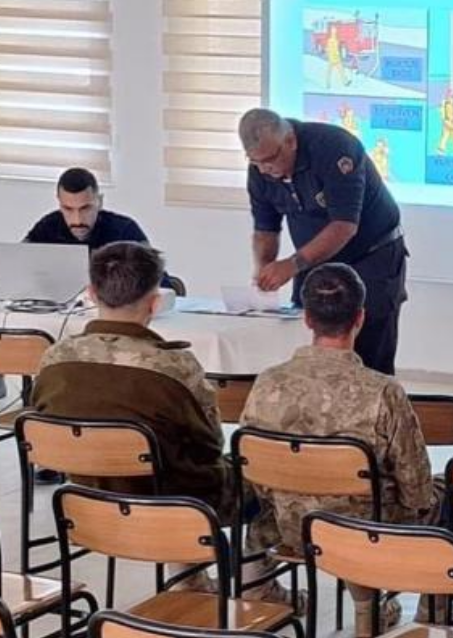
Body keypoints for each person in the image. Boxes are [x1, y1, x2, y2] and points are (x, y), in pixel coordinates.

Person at [29, 242, 287, 603]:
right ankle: (256, 583)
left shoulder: (53, 358)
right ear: (155, 302)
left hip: (86, 508)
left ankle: (191, 580)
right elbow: (209, 445)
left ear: (91, 293)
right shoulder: (173, 367)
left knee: (168, 468)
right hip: (177, 511)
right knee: (268, 473)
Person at [240, 263, 440, 637]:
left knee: (264, 507)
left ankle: (256, 593)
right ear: (361, 318)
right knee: (448, 501)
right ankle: (421, 614)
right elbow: (417, 485)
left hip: (287, 527)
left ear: (308, 318)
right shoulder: (381, 391)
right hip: (363, 533)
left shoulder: (268, 382)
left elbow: (250, 468)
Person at [240, 108, 408, 375]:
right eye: (255, 162)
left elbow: (344, 226)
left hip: (371, 255)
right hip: (313, 261)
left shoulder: (335, 148)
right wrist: (264, 270)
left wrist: (293, 264)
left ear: (291, 141)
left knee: (369, 354)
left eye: (270, 160)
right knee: (310, 345)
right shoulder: (260, 170)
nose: (265, 170)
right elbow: (265, 229)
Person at [23, 168, 149, 250]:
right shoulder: (47, 228)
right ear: (59, 203)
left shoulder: (124, 231)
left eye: (85, 208)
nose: (77, 220)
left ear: (99, 202)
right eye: (68, 209)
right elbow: (16, 268)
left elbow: (158, 281)